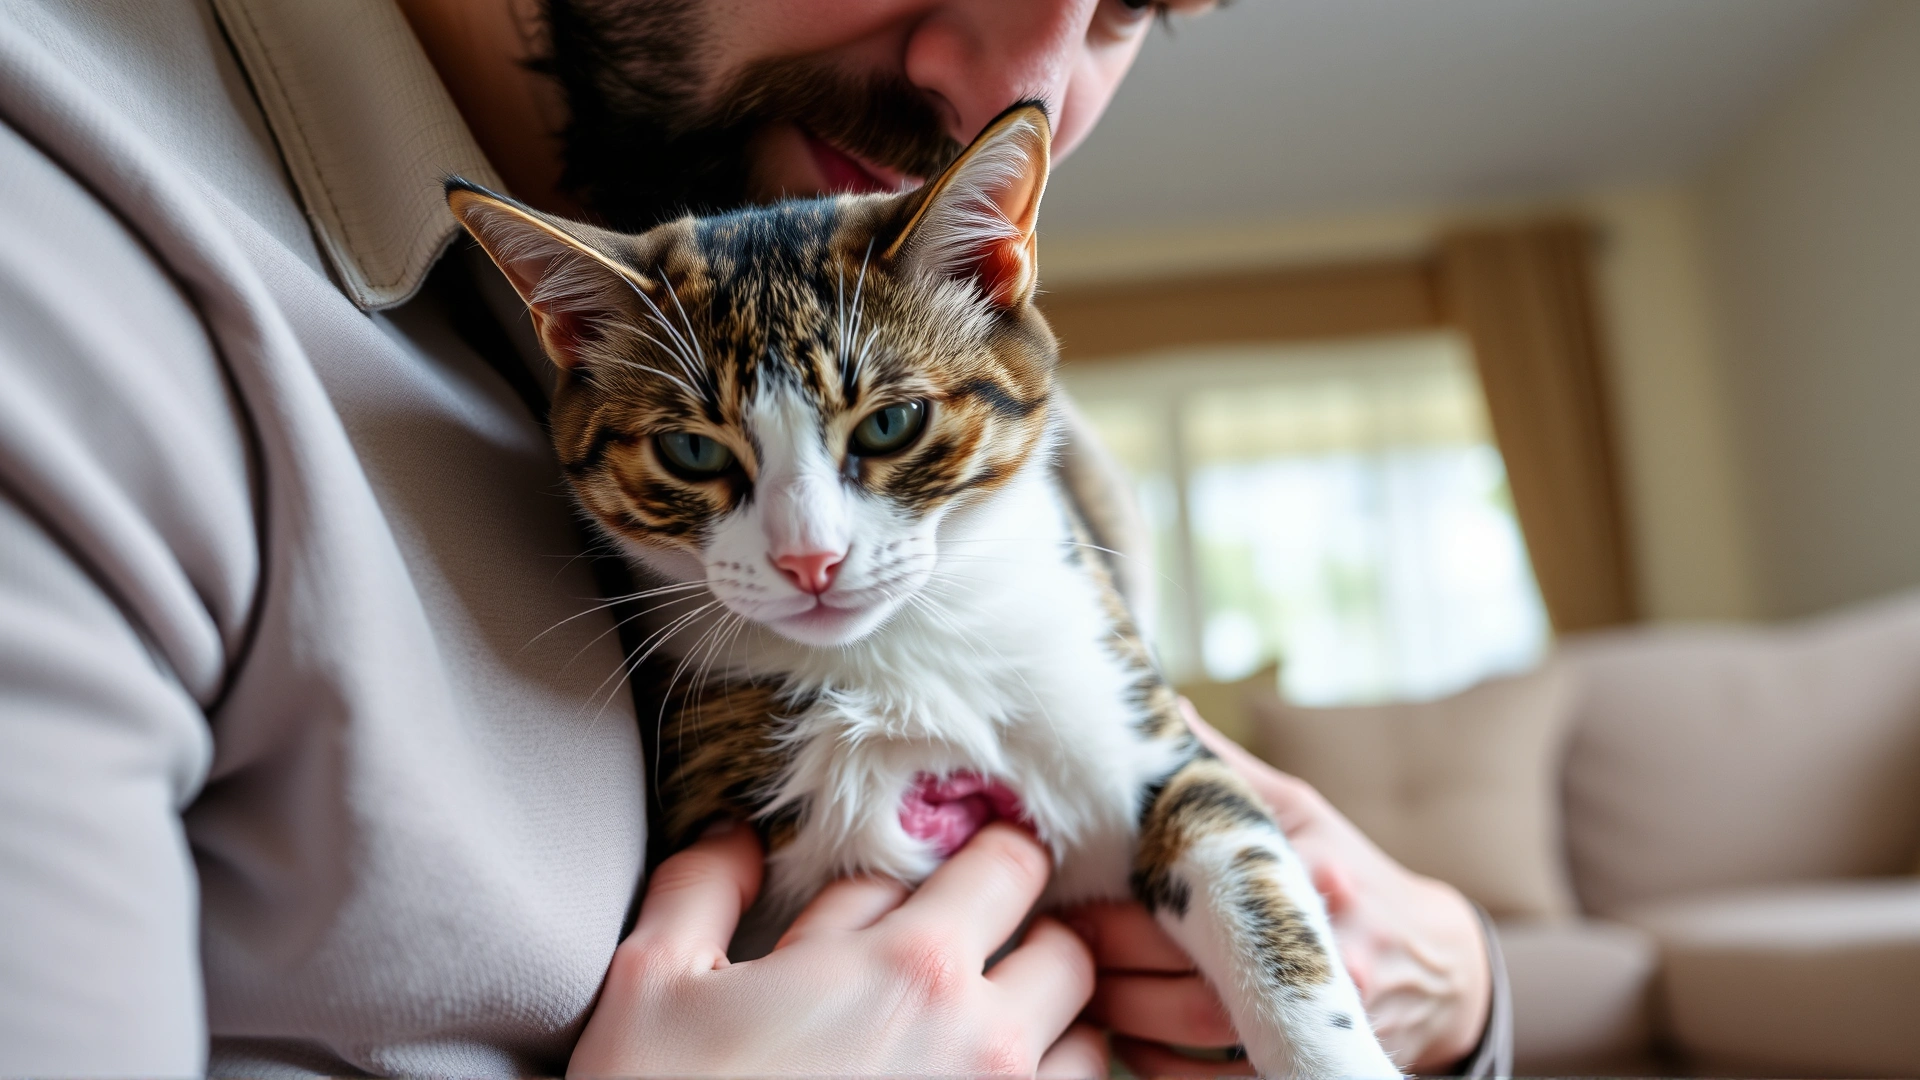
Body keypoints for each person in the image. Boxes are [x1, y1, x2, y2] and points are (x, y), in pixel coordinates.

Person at [0, 0, 1508, 1074]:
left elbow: (1248, 885)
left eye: (1138, 6)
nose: (1021, 79)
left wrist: (1453, 995)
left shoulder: (1033, 463)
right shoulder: (58, 284)